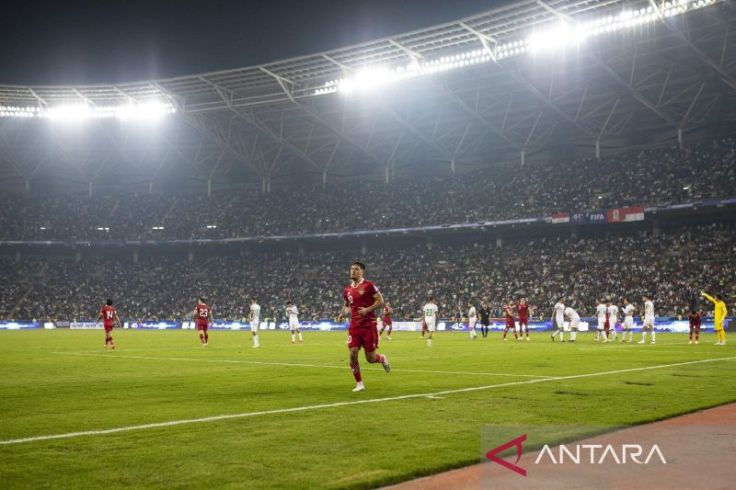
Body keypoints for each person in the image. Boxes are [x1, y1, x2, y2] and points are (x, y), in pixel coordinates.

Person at [339, 261, 390, 392]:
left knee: (371, 358)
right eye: (351, 269)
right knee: (353, 353)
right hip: (354, 326)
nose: (353, 271)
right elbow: (347, 306)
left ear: (362, 271)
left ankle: (382, 358)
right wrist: (341, 315)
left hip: (368, 325)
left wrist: (367, 309)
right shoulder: (347, 290)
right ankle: (359, 384)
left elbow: (380, 300)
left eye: (356, 269)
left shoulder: (369, 285)